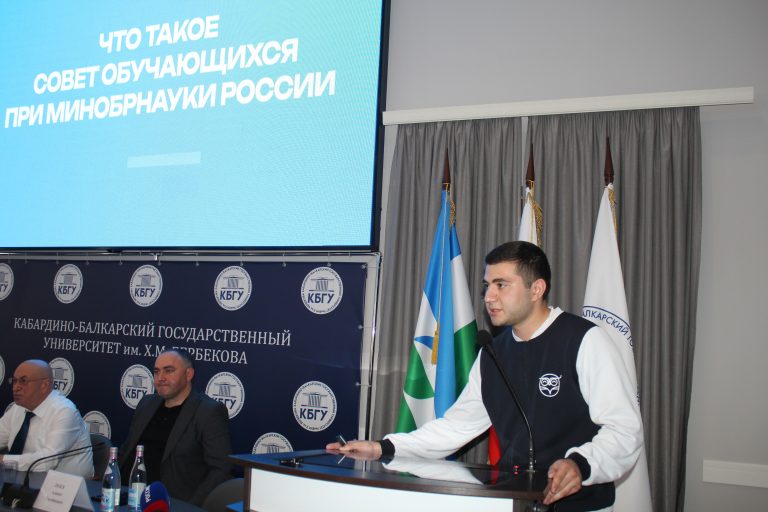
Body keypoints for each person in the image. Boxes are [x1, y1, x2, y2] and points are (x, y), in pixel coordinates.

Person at [327, 241, 643, 512]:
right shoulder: (493, 353)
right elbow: (456, 427)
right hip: (513, 500)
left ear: (536, 289)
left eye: (501, 285)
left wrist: (580, 465)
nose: (488, 296)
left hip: (581, 504)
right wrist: (383, 447)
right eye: (487, 285)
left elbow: (624, 430)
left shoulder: (585, 340)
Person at [119, 349, 232, 506]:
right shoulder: (146, 403)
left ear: (188, 374)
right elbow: (127, 449)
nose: (161, 378)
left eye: (169, 371)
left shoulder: (208, 412)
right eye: (157, 372)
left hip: (173, 502)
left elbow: (221, 469)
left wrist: (189, 507)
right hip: (126, 496)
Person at [0, 359, 93, 477]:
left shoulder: (65, 411)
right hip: (23, 479)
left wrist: (3, 460)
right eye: (14, 381)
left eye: (23, 381)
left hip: (65, 485)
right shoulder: (17, 408)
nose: (15, 387)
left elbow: (46, 462)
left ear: (44, 385)